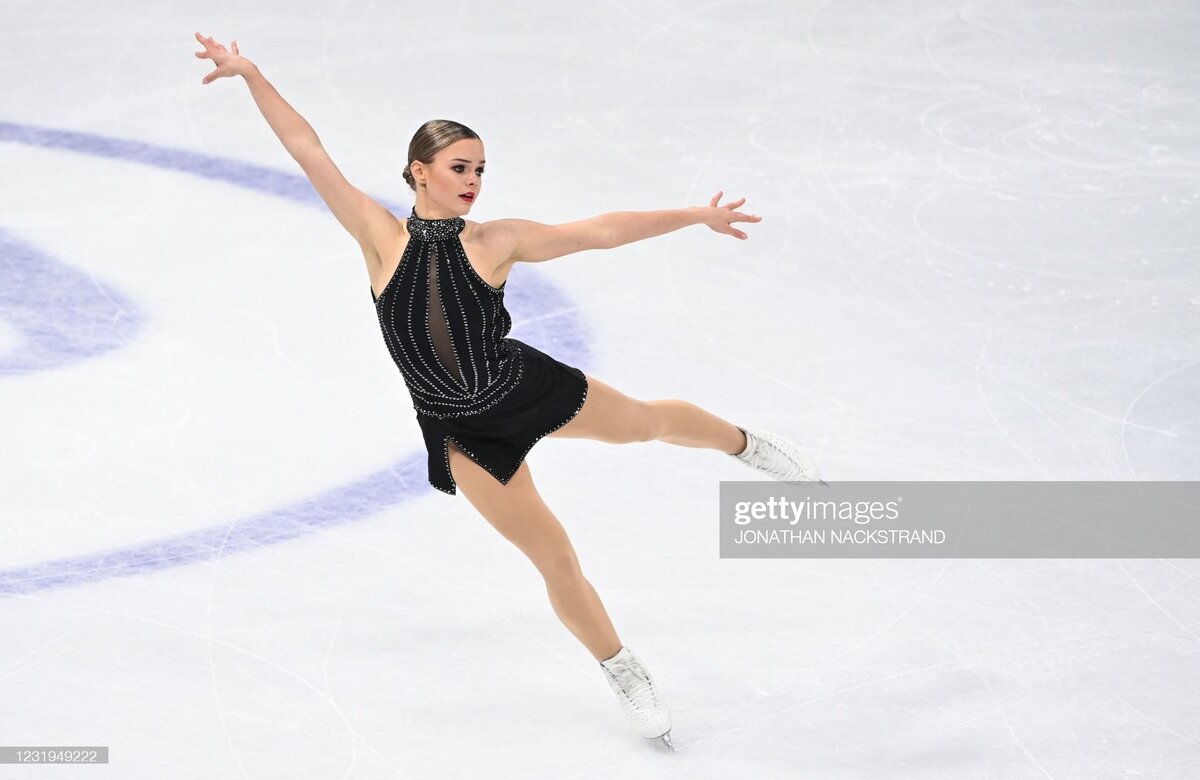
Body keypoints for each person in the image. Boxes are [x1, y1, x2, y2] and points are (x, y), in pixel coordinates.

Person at [194, 31, 822, 751]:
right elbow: (308, 148)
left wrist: (694, 215)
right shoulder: (378, 238)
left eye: (482, 170)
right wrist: (251, 74)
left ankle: (745, 444)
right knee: (555, 557)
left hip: (524, 386)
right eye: (460, 167)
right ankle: (621, 666)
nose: (473, 181)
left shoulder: (496, 241)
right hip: (463, 430)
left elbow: (601, 233)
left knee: (647, 423)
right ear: (418, 172)